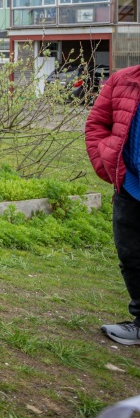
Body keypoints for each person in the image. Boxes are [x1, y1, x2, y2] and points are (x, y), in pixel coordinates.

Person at [86, 63, 140, 345]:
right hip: (131, 187)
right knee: (131, 255)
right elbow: (97, 123)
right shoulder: (124, 79)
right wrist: (105, 164)